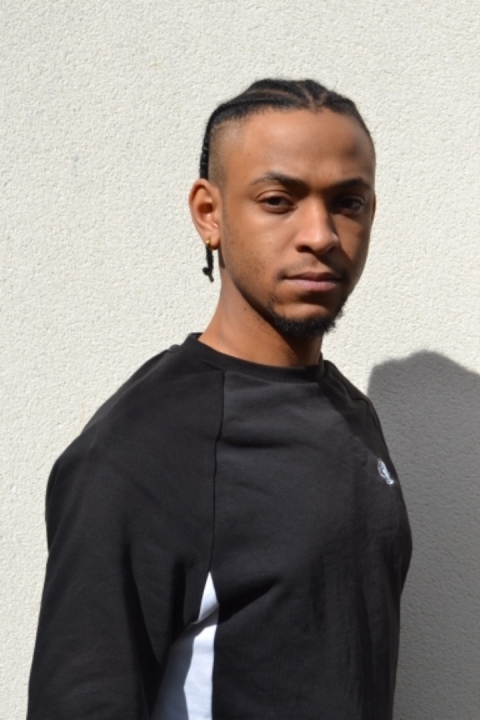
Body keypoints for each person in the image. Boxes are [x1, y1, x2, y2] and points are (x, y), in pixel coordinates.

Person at [27, 79, 412, 720]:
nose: (320, 234)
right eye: (278, 200)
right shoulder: (141, 451)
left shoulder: (351, 413)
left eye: (347, 202)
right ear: (210, 213)